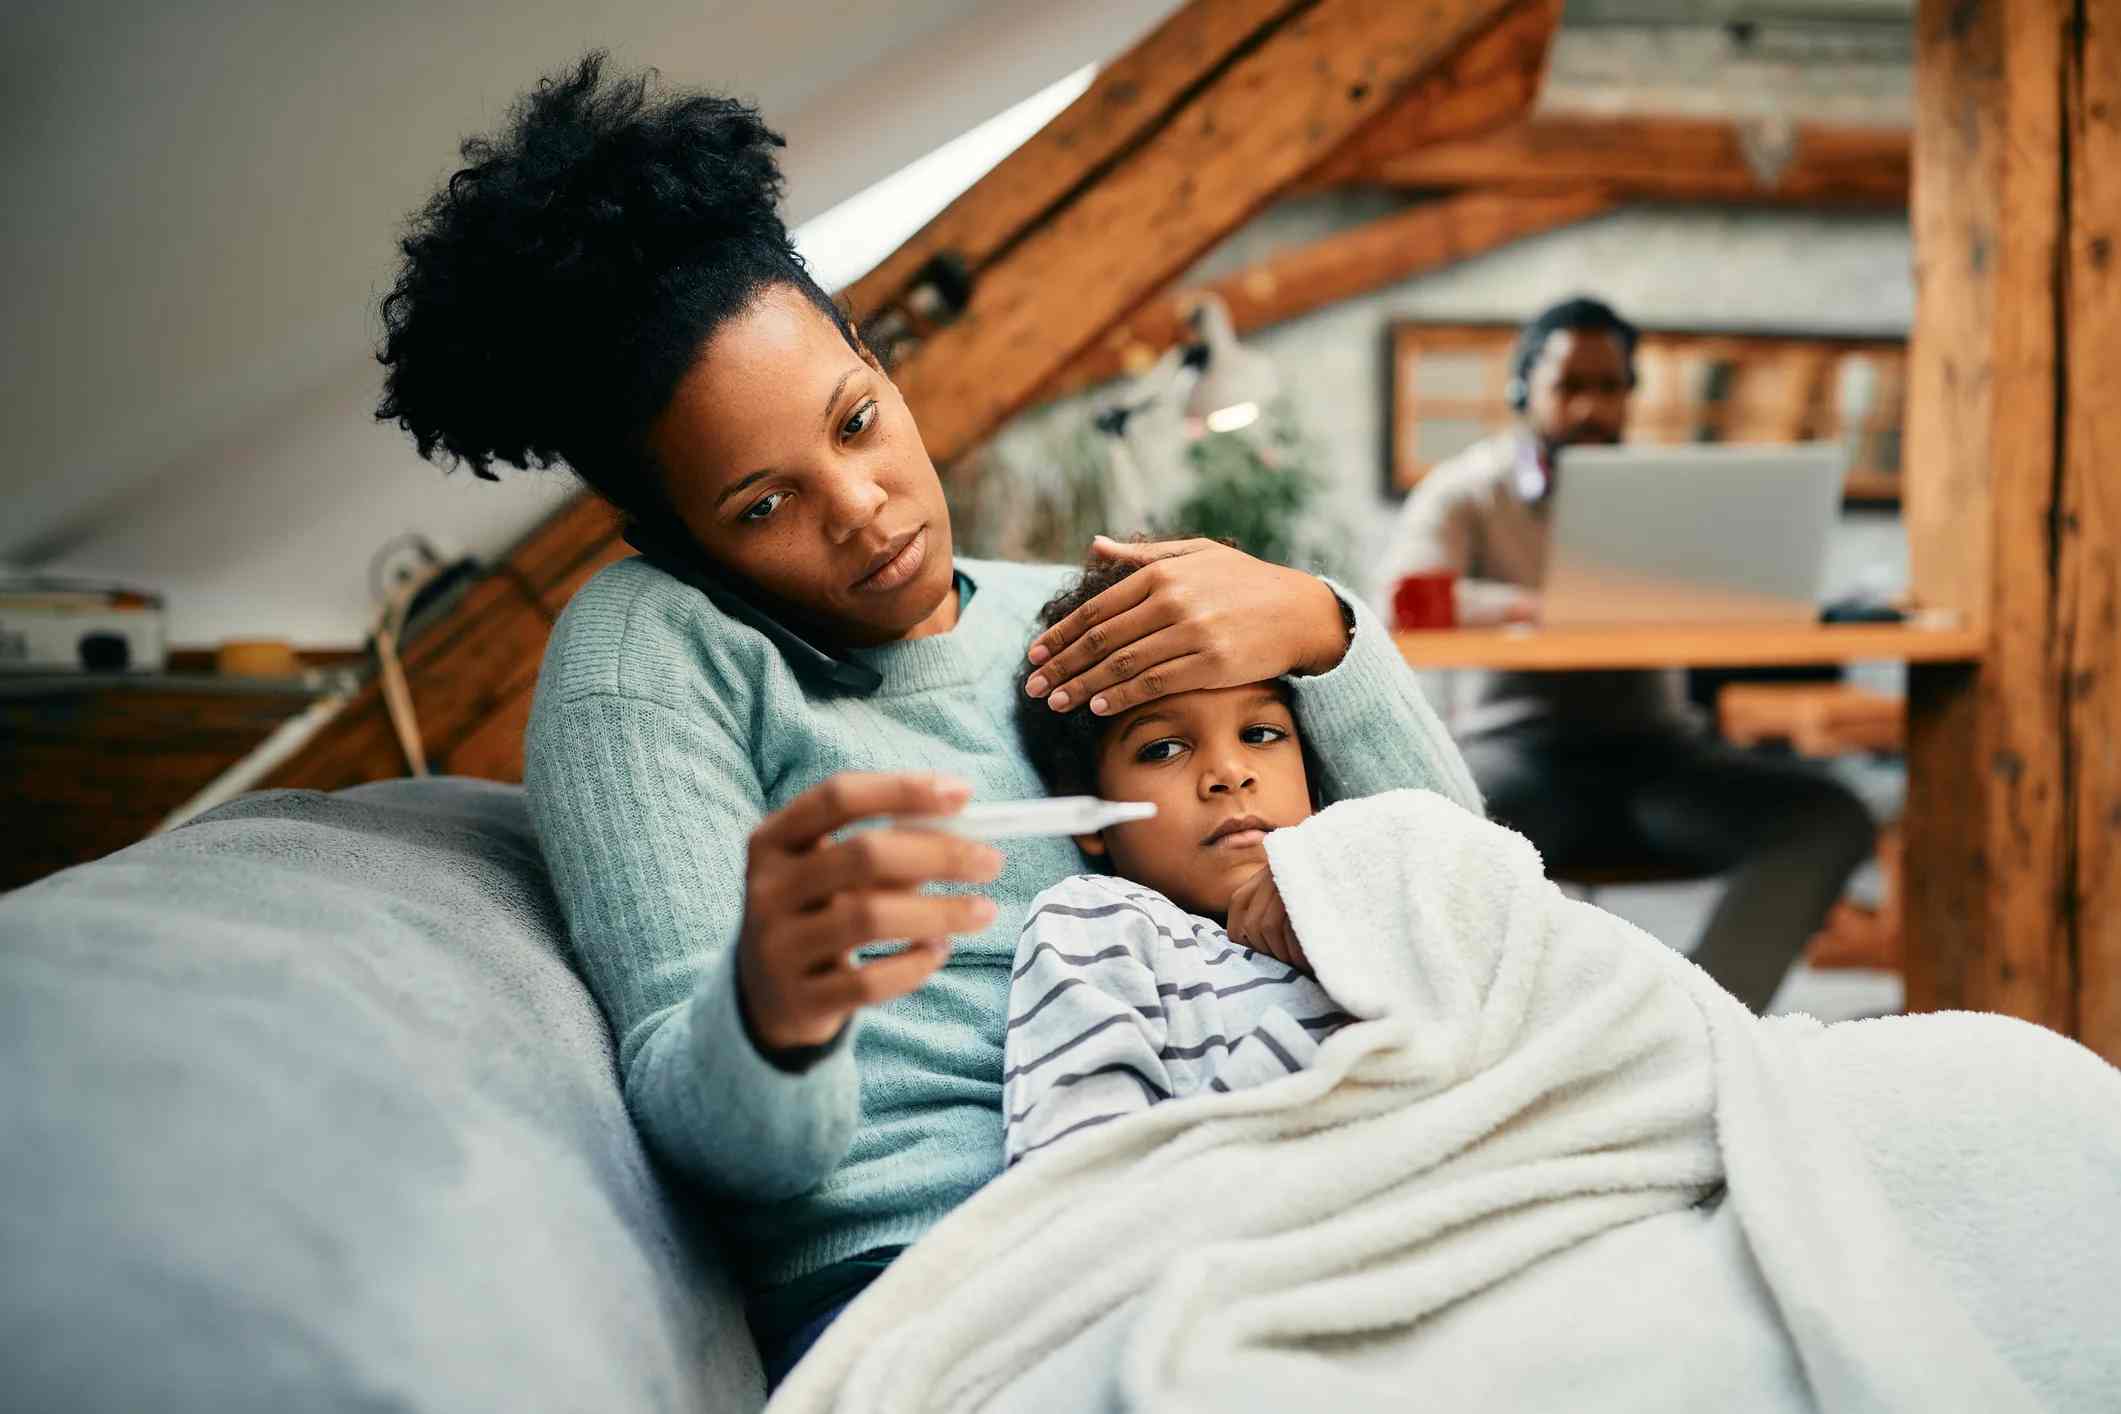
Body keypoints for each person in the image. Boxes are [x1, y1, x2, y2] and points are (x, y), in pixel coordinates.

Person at [373, 55, 1478, 1391]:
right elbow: (723, 1126)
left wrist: (1325, 625)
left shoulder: (1069, 610)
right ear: (673, 538)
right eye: (762, 506)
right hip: (955, 1291)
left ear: (879, 363)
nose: (864, 507)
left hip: (1243, 1201)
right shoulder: (648, 650)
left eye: (856, 420)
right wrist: (774, 999)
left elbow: (1454, 899)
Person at [1373, 296, 1874, 1013]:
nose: (1590, 409)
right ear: (1523, 391)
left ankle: (1696, 1016)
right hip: (1518, 760)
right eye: (1569, 387)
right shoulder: (1466, 492)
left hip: (1662, 763)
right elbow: (1405, 599)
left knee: (1831, 818)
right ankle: (1486, 1034)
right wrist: (1537, 608)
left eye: (1608, 388)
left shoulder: (1672, 496)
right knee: (1432, 832)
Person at [1004, 557, 1352, 1168]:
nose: (1229, 773)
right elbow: (1073, 1180)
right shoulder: (1100, 924)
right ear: (1089, 810)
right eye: (1164, 747)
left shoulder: (1370, 879)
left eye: (1263, 734)